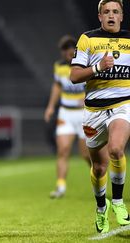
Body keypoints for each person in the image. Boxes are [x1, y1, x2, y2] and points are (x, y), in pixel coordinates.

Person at [70, 0, 130, 234]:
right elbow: (74, 76)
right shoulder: (88, 39)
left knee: (116, 149)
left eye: (116, 12)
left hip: (123, 105)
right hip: (94, 112)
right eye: (107, 12)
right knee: (99, 168)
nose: (111, 15)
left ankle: (118, 202)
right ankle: (101, 207)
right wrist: (98, 68)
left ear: (122, 16)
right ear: (100, 16)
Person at [44, 35, 90, 199]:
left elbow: (96, 85)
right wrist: (50, 107)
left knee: (86, 154)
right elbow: (57, 86)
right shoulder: (59, 67)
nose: (68, 52)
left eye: (71, 48)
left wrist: (87, 98)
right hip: (66, 113)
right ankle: (61, 186)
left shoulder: (86, 64)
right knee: (63, 150)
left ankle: (99, 179)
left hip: (84, 114)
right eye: (65, 50)